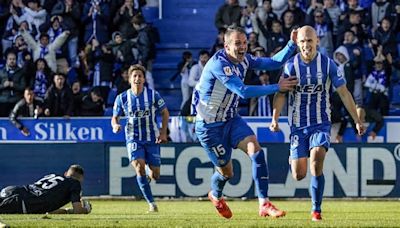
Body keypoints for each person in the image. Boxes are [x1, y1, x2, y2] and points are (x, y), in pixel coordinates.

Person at [193, 26, 299, 219]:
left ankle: (264, 204)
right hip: (209, 127)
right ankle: (215, 194)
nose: (243, 47)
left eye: (244, 43)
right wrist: (277, 87)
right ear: (226, 46)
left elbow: (274, 62)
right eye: (237, 44)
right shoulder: (219, 64)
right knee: (227, 172)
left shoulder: (245, 59)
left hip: (231, 119)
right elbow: (242, 91)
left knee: (256, 150)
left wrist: (292, 43)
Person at [269, 26, 365, 221]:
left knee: (317, 158)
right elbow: (280, 94)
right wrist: (275, 118)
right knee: (298, 175)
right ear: (298, 44)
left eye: (309, 41)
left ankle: (316, 209)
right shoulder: (290, 66)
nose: (306, 45)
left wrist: (357, 119)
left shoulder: (328, 65)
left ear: (317, 42)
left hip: (321, 122)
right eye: (302, 41)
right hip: (298, 125)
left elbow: (344, 93)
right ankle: (294, 159)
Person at [111, 64, 169, 213]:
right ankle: (151, 203)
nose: (137, 78)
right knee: (139, 167)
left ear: (144, 79)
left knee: (155, 174)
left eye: (140, 76)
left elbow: (165, 113)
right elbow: (114, 117)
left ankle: (150, 175)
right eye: (134, 76)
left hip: (151, 138)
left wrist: (163, 133)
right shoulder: (122, 98)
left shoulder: (153, 95)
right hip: (133, 138)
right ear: (129, 79)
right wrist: (115, 125)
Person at [0, 164, 91, 214]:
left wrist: (67, 211)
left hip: (12, 190)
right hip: (21, 202)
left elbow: (47, 210)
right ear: (81, 179)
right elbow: (78, 211)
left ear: (66, 173)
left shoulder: (54, 176)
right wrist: (86, 209)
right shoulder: (74, 183)